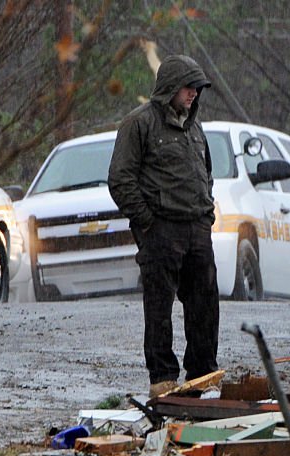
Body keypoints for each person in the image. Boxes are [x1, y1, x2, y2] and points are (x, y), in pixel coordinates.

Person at [108, 54, 218, 399]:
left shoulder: (195, 128)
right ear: (170, 87)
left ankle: (203, 374)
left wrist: (206, 216)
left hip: (197, 229)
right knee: (159, 307)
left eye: (197, 88)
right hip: (161, 230)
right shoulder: (139, 124)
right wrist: (147, 223)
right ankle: (163, 379)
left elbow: (207, 174)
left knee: (205, 304)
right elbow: (120, 179)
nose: (194, 95)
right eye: (188, 87)